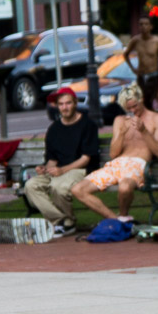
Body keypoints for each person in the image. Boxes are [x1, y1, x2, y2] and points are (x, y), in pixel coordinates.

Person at [71, 83, 158, 222]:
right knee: (78, 190)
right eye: (129, 108)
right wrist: (121, 133)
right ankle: (118, 220)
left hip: (138, 164)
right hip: (116, 164)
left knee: (124, 187)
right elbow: (113, 154)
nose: (133, 111)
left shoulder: (157, 119)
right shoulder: (120, 120)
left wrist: (144, 131)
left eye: (135, 106)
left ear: (141, 99)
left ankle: (123, 215)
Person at [24, 87, 100, 238]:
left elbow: (86, 159)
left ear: (75, 103)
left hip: (81, 169)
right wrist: (45, 169)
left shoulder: (88, 125)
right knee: (30, 185)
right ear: (57, 106)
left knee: (58, 186)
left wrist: (62, 171)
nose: (64, 107)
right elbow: (52, 160)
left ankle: (66, 224)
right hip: (60, 171)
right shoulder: (54, 129)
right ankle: (61, 221)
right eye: (61, 104)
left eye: (68, 103)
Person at [123, 15, 158, 110]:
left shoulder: (156, 40)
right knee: (142, 101)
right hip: (141, 75)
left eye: (146, 24)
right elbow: (125, 54)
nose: (143, 26)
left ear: (151, 26)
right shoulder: (136, 40)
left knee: (152, 101)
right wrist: (133, 68)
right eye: (141, 24)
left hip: (154, 74)